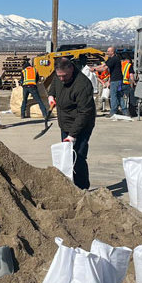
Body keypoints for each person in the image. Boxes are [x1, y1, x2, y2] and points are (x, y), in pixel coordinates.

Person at [48, 57, 96, 190]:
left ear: (71, 68)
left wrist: (72, 135)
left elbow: (84, 113)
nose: (62, 79)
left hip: (81, 126)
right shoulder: (59, 76)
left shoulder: (82, 84)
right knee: (67, 157)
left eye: (65, 76)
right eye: (59, 76)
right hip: (65, 124)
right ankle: (70, 187)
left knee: (78, 158)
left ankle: (82, 189)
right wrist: (51, 96)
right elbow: (54, 84)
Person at [90, 46, 124, 115]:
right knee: (119, 95)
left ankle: (113, 112)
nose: (107, 52)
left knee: (113, 96)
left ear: (112, 52)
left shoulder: (114, 59)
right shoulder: (110, 59)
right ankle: (125, 110)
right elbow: (103, 65)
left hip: (116, 80)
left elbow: (104, 68)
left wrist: (94, 69)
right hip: (116, 80)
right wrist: (93, 67)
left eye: (108, 51)